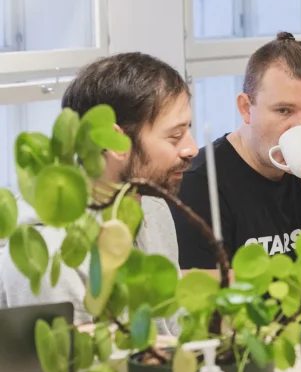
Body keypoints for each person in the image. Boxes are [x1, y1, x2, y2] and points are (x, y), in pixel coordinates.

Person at [173, 32, 301, 303]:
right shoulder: (200, 184)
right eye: (283, 111)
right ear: (246, 108)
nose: (300, 126)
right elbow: (202, 306)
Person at [0, 53, 197, 327]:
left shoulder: (152, 204)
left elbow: (169, 327)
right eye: (175, 136)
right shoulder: (52, 252)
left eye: (188, 130)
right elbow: (71, 367)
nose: (192, 148)